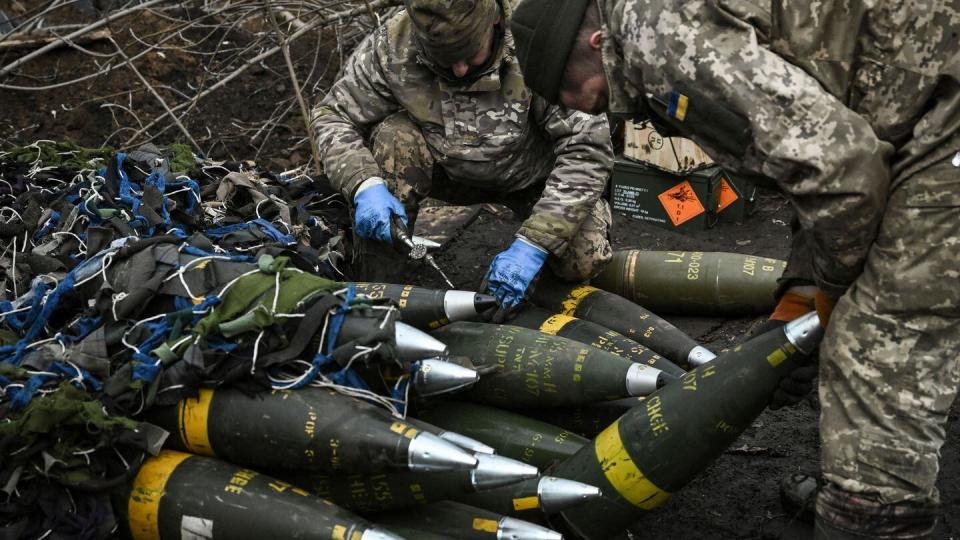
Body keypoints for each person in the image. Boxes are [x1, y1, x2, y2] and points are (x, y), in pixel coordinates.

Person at [508, 0, 960, 538]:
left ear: (593, 44)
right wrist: (802, 291)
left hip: (942, 123)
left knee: (877, 348)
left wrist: (835, 297)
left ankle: (871, 512)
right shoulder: (652, 28)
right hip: (917, 106)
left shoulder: (658, 38)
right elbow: (806, 162)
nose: (578, 107)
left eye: (565, 89)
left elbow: (843, 174)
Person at [311, 0, 614, 317]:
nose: (459, 70)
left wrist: (536, 244)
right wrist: (364, 185)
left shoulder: (537, 38)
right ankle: (376, 291)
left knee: (584, 258)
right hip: (445, 172)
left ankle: (535, 292)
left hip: (533, 179)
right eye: (443, 59)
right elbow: (332, 115)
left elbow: (587, 147)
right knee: (394, 137)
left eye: (470, 54)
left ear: (495, 21)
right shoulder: (394, 43)